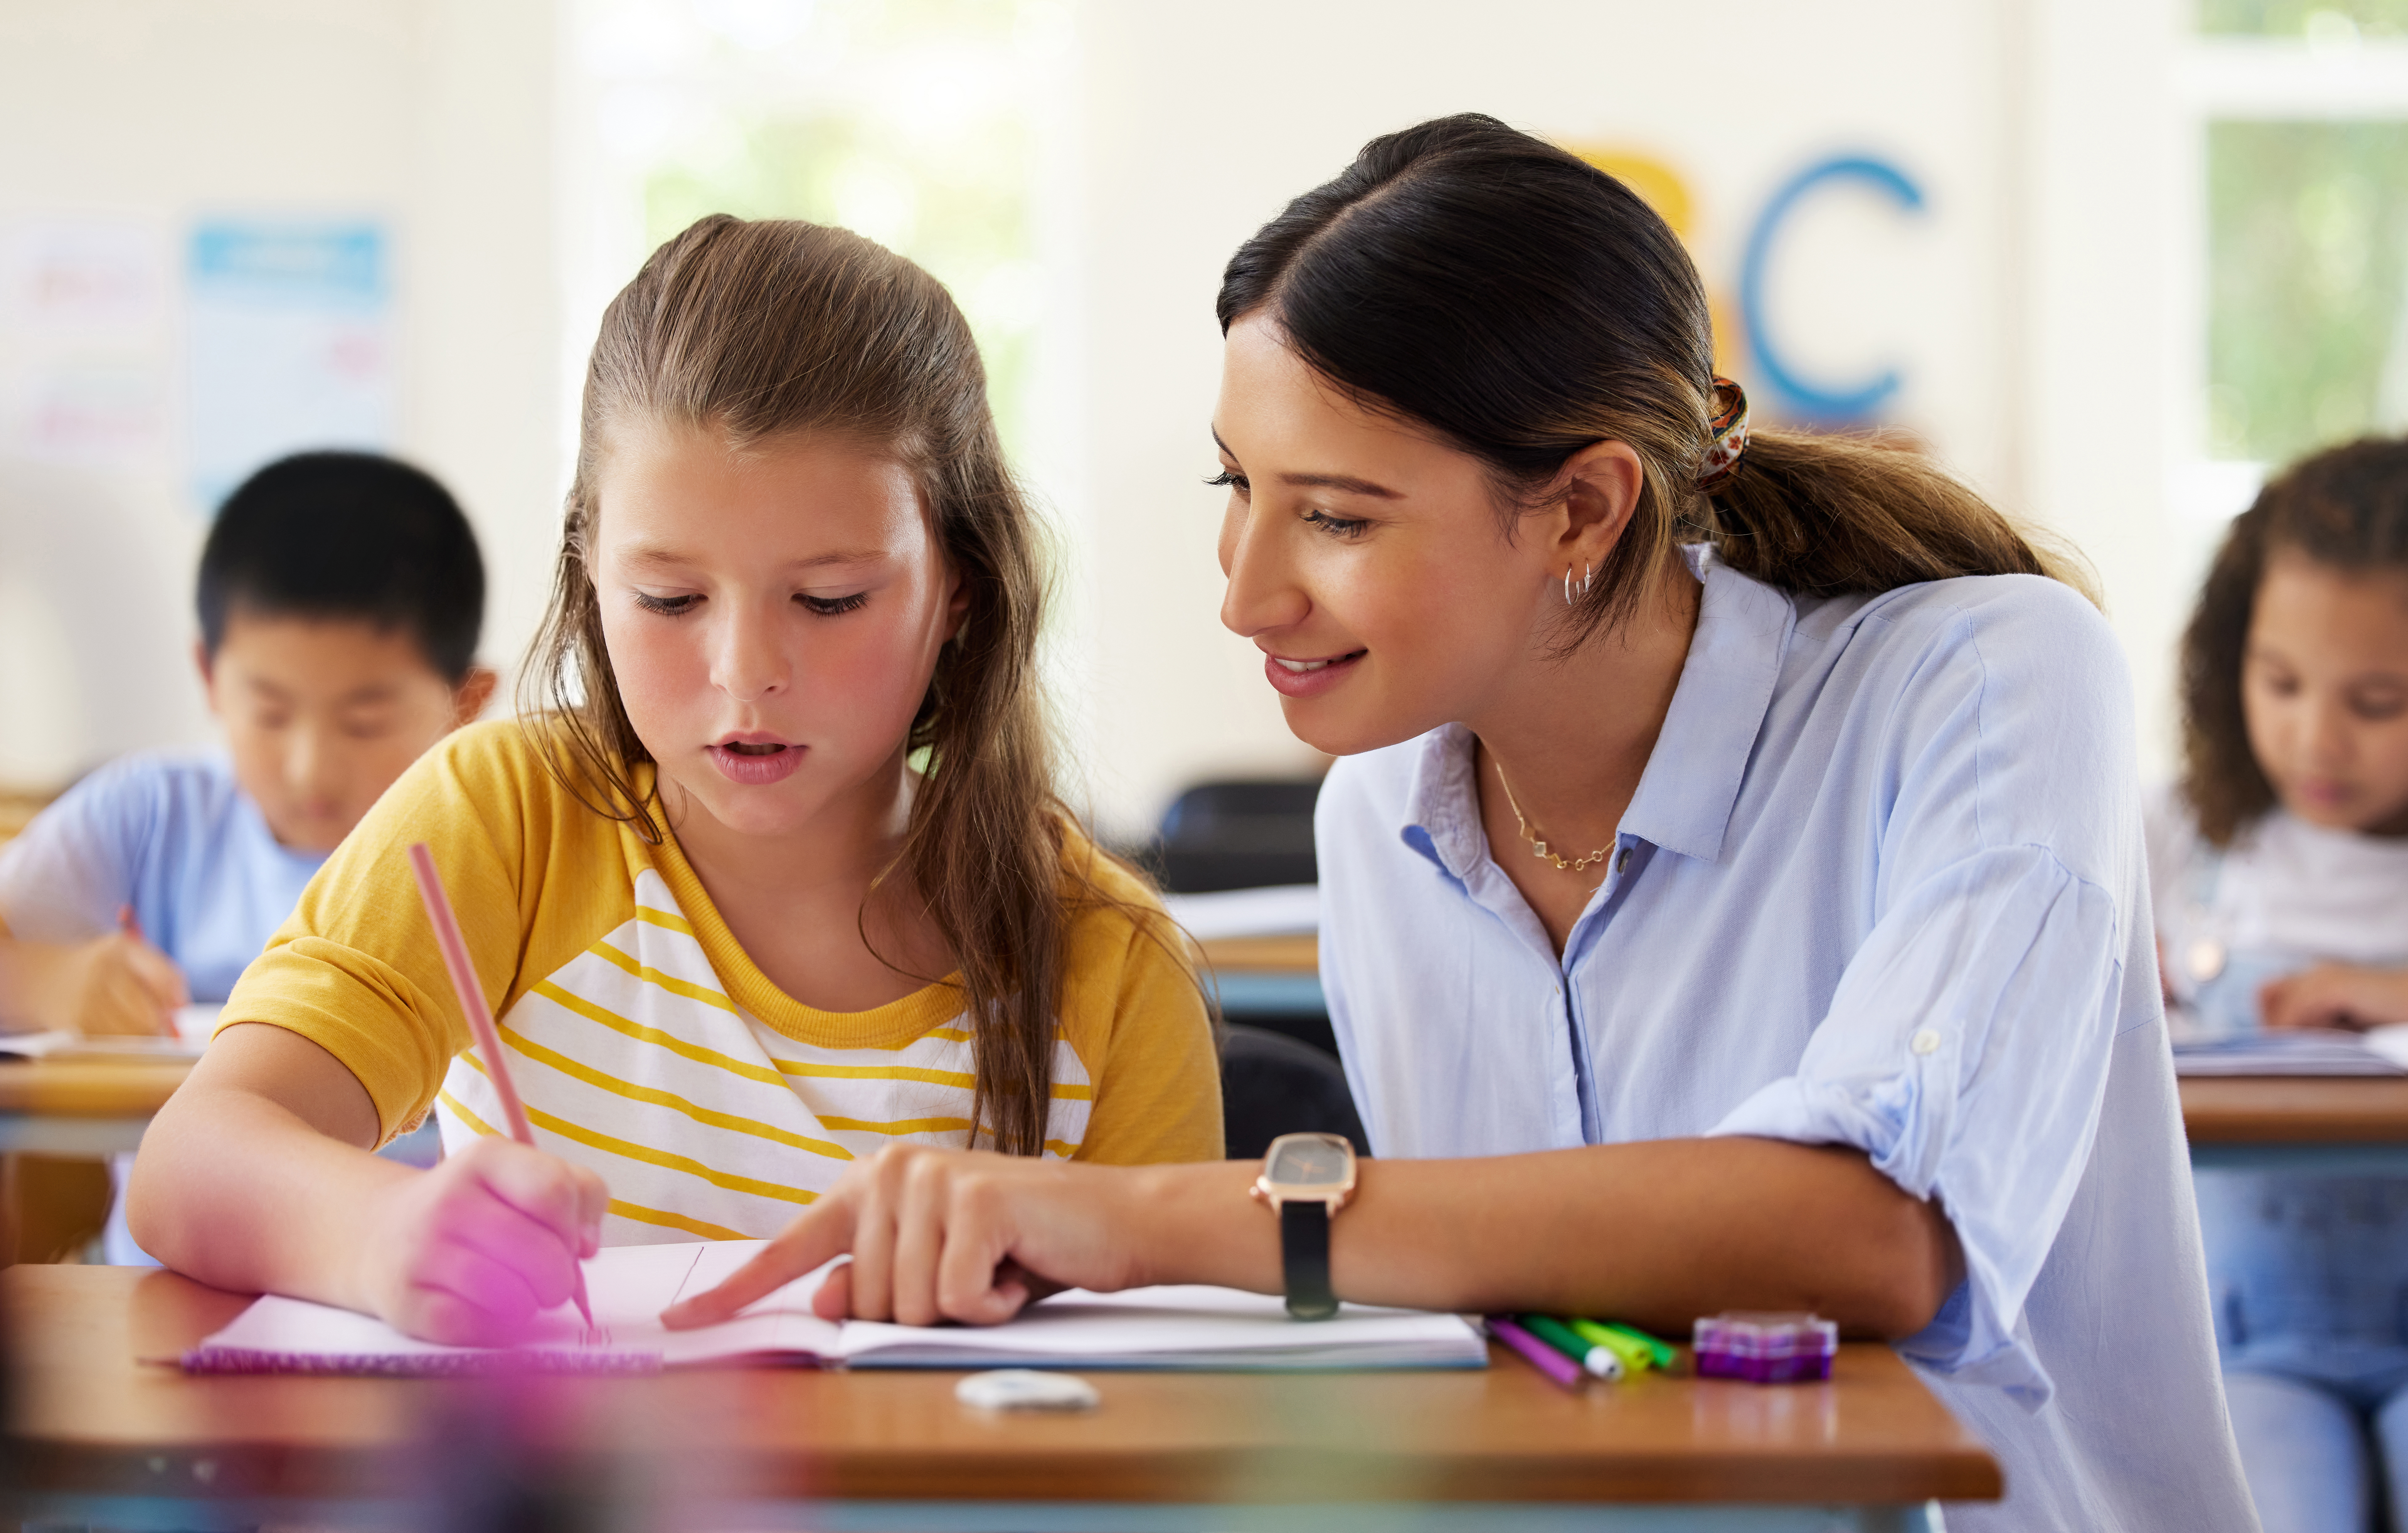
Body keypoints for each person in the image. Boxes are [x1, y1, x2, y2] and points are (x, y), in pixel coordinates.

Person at [665, 116, 2254, 1531]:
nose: (1244, 593)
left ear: (1581, 508)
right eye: (1236, 489)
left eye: (1333, 516)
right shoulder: (1381, 818)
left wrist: (1134, 1217)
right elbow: (1526, 1356)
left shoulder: (1987, 678)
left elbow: (1876, 1241)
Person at [128, 217, 1222, 1343]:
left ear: (961, 590)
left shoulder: (1113, 969)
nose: (745, 672)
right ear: (590, 576)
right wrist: (381, 1233)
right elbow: (190, 1161)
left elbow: (1171, 1385)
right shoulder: (508, 817)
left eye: (831, 600)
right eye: (669, 599)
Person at [0, 450, 494, 1262]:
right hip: (166, 1280)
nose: (309, 768)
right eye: (270, 712)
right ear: (209, 675)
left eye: (364, 720)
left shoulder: (494, 844)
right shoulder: (151, 812)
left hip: (409, 1277)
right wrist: (49, 981)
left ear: (466, 701)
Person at [2148, 437, 2408, 1532]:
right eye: (2280, 682)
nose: (2314, 737)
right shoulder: (2181, 839)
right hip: (2246, 1346)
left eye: (2377, 701)